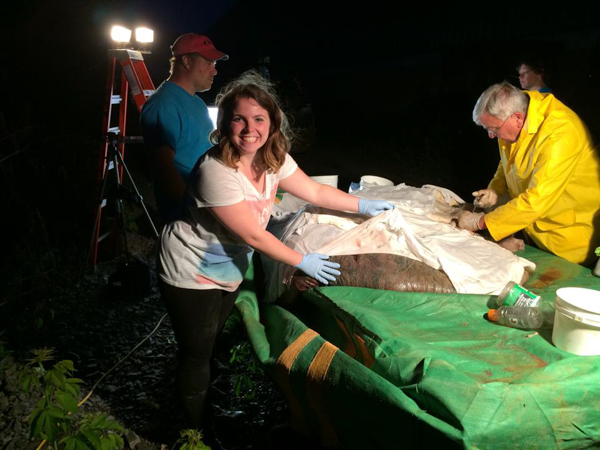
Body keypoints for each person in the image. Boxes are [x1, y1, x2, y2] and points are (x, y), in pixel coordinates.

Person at [157, 71, 394, 431]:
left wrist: (361, 205)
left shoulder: (273, 158)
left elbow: (313, 192)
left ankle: (209, 407)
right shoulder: (215, 170)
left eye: (258, 119)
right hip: (191, 269)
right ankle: (192, 432)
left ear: (272, 123)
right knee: (196, 352)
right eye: (238, 118)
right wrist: (303, 260)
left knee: (212, 337)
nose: (249, 128)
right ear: (223, 123)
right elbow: (254, 235)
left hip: (228, 267)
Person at [458, 81, 600, 265]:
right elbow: (508, 160)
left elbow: (536, 200)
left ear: (517, 117)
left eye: (494, 129)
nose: (491, 136)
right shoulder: (519, 115)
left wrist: (480, 222)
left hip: (569, 244)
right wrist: (495, 189)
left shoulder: (561, 132)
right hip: (534, 230)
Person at [140, 33, 228, 223]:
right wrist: (191, 212)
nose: (214, 71)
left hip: (210, 206)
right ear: (187, 61)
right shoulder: (163, 105)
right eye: (208, 63)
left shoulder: (197, 103)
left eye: (215, 64)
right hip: (188, 220)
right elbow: (163, 169)